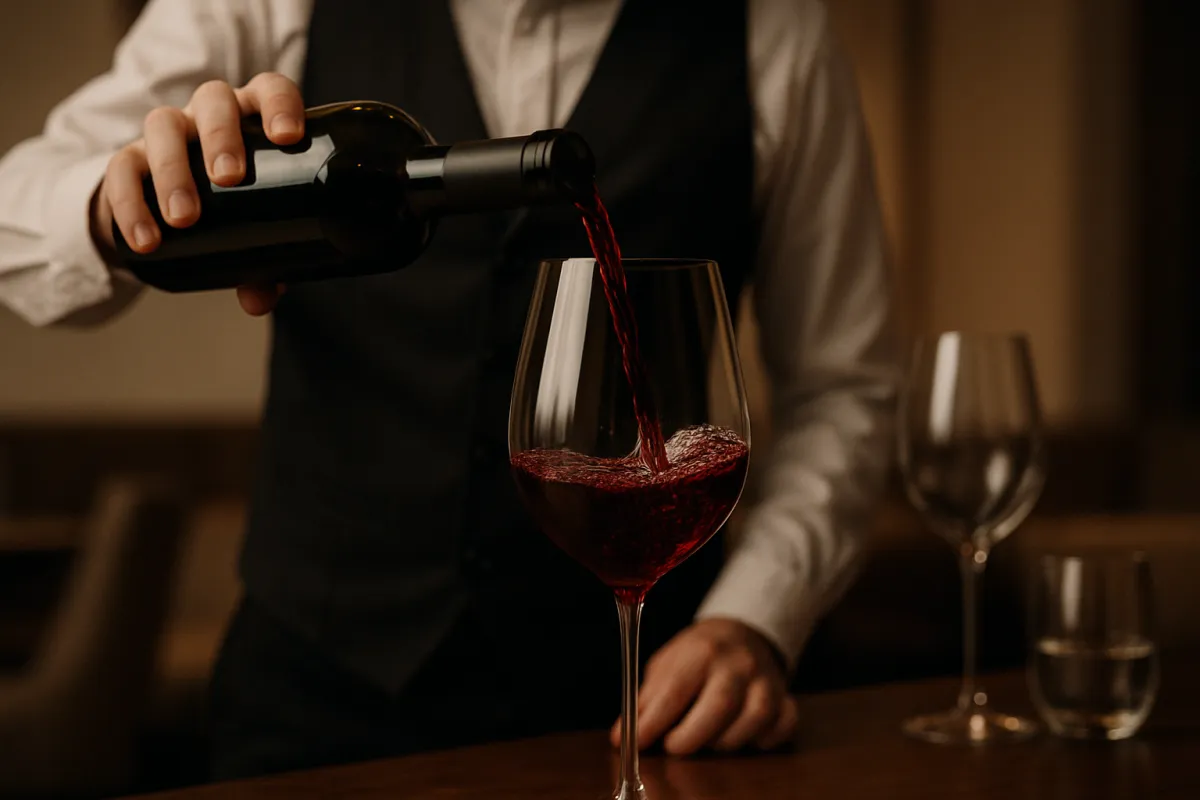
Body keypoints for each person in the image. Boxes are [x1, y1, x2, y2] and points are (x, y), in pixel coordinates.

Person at [0, 0, 897, 782]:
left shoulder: (773, 28)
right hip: (313, 699)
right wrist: (113, 206)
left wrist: (755, 621)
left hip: (635, 706)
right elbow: (17, 215)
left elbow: (845, 391)